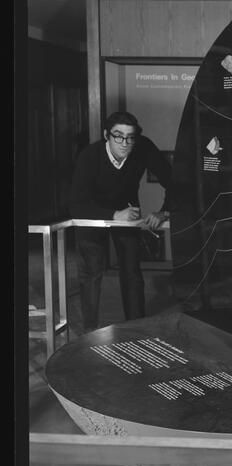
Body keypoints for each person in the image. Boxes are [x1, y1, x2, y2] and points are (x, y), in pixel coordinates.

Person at [69, 111, 172, 332]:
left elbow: (174, 181)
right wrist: (114, 215)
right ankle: (89, 332)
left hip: (128, 212)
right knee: (91, 272)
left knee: (131, 271)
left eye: (130, 137)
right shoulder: (89, 156)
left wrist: (164, 212)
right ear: (107, 135)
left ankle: (137, 329)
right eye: (118, 136)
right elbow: (76, 206)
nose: (125, 143)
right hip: (92, 214)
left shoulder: (143, 147)